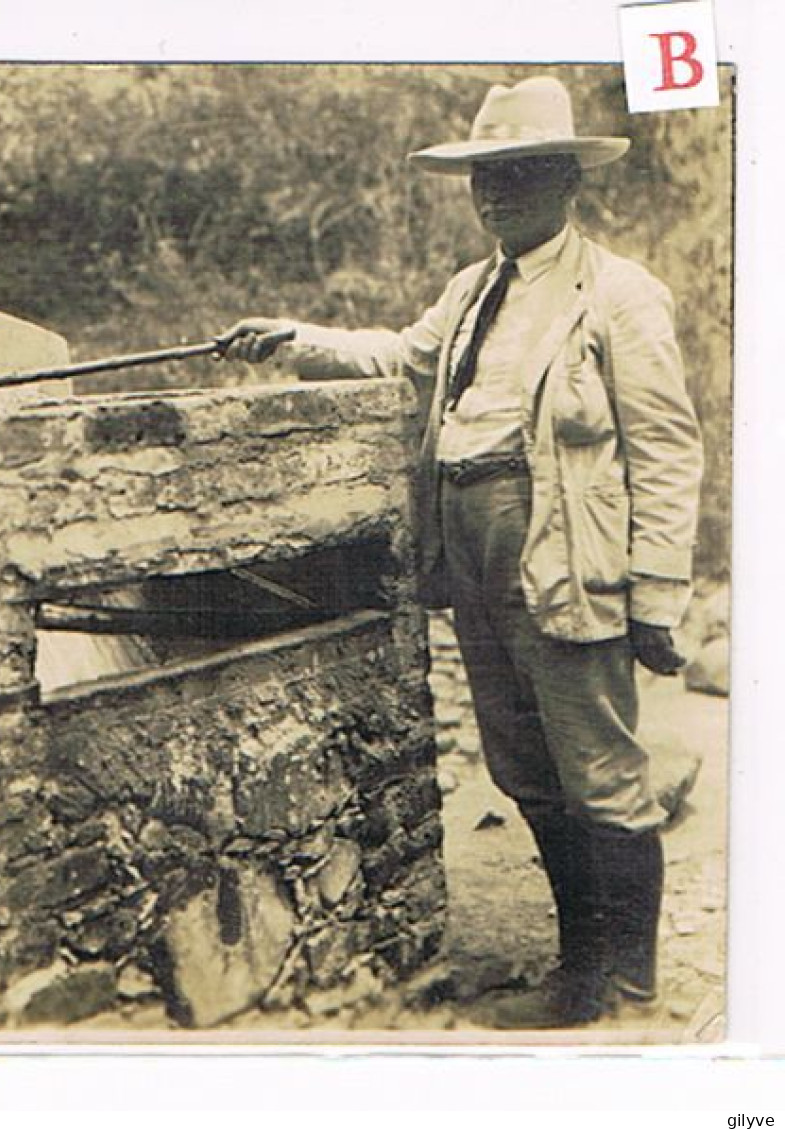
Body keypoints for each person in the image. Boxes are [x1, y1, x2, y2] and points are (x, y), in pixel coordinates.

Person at [215, 76, 703, 1028]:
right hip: (470, 544)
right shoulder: (471, 290)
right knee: (522, 765)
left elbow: (665, 446)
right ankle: (580, 970)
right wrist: (295, 338)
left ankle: (630, 987)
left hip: (564, 544)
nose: (493, 197)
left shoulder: (619, 295)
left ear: (566, 180)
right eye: (482, 179)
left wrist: (655, 594)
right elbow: (402, 357)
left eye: (516, 176)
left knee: (598, 767)